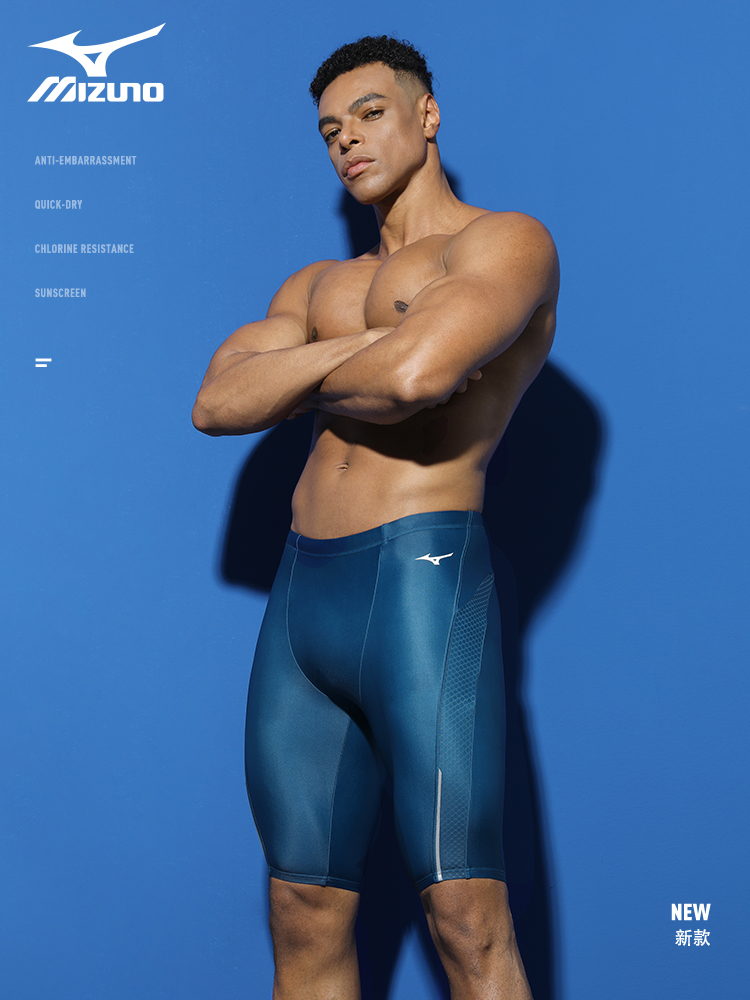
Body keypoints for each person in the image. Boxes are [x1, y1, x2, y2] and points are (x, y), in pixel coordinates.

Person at [193, 35, 558, 1000]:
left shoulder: (504, 243)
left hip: (420, 585)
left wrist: (296, 375)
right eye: (328, 131)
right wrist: (358, 346)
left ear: (426, 115)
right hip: (302, 598)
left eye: (368, 114)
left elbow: (414, 377)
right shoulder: (315, 286)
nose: (347, 140)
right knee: (301, 910)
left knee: (466, 917)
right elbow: (217, 403)